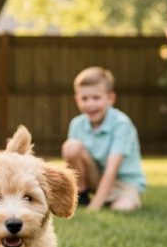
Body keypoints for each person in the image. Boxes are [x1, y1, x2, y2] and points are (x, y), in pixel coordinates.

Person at [61, 66, 146, 212]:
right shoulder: (77, 124)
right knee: (71, 146)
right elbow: (71, 164)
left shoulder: (122, 124)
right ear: (77, 99)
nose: (90, 104)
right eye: (84, 99)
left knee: (122, 208)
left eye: (96, 98)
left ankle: (107, 200)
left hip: (123, 184)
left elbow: (112, 169)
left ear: (110, 98)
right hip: (96, 178)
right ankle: (81, 195)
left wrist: (94, 207)